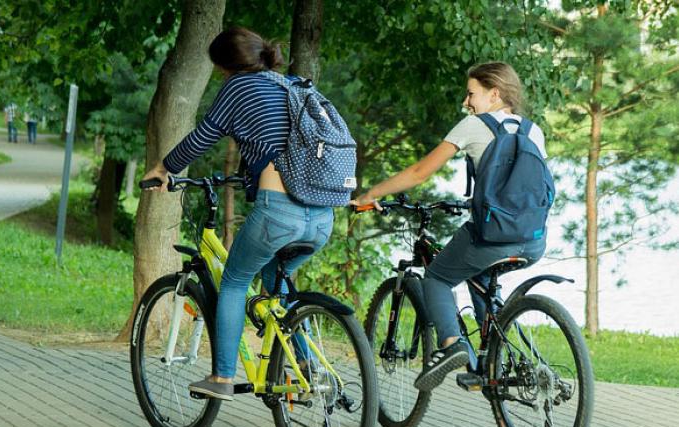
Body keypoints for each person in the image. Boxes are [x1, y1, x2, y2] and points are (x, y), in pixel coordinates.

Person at [142, 27, 335, 400]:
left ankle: (222, 378)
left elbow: (203, 135)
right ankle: (305, 364)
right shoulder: (289, 84)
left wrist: (163, 168)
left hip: (279, 213)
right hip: (323, 216)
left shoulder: (239, 87)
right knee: (276, 283)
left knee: (232, 282)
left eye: (218, 68)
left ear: (226, 65)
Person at [351, 61, 548, 392]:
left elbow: (419, 172)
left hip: (491, 238)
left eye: (471, 93)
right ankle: (489, 365)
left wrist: (370, 194)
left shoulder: (473, 126)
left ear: (494, 93)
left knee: (439, 277)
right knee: (479, 275)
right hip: (533, 240)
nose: (467, 101)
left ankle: (452, 344)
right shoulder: (534, 130)